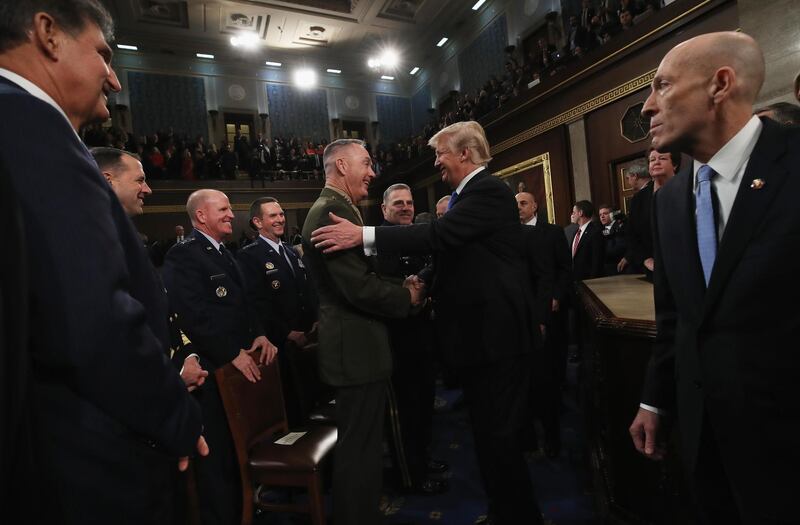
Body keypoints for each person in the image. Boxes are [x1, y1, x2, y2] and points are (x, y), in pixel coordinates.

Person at [0, 1, 205, 522]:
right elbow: (92, 318)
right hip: (84, 458)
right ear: (47, 33)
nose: (113, 79)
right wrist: (173, 414)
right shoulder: (31, 125)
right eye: (103, 54)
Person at [311, 122, 545, 525]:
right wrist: (416, 286)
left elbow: (442, 234)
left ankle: (519, 516)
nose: (435, 162)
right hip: (479, 341)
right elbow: (450, 253)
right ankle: (505, 512)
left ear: (466, 154)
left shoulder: (488, 191)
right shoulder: (463, 195)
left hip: (498, 338)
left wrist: (364, 236)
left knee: (500, 439)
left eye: (441, 153)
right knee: (489, 438)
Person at [628, 31, 800, 524]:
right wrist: (654, 400)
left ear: (719, 84)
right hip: (704, 438)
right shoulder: (669, 200)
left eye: (661, 86)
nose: (646, 107)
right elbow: (676, 316)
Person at [301, 139, 424, 525]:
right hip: (354, 350)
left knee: (365, 446)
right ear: (341, 165)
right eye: (366, 163)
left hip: (359, 347)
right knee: (360, 450)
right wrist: (406, 296)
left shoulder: (341, 207)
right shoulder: (331, 211)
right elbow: (357, 287)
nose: (373, 172)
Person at [164, 189, 278, 525]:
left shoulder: (226, 252)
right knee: (217, 461)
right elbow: (191, 315)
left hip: (239, 370)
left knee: (237, 450)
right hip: (215, 375)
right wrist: (230, 353)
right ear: (201, 216)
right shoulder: (183, 255)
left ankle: (244, 509)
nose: (232, 214)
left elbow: (246, 303)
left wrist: (257, 333)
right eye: (224, 209)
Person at [91, 146, 208, 391]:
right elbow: (114, 332)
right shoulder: (94, 243)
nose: (148, 189)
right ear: (107, 181)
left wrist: (187, 357)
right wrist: (173, 373)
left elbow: (163, 311)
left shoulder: (127, 238)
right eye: (140, 180)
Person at [376, 183, 448, 496]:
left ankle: (423, 458)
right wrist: (410, 293)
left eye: (409, 203)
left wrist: (421, 288)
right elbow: (382, 286)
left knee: (423, 406)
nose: (405, 208)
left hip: (423, 336)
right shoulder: (378, 242)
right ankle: (410, 476)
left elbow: (431, 274)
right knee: (404, 413)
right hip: (396, 341)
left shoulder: (420, 238)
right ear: (384, 210)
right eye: (398, 204)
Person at [237, 197, 317, 425]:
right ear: (257, 222)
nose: (280, 219)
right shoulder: (249, 256)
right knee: (293, 409)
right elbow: (256, 304)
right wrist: (286, 333)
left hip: (308, 341)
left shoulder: (292, 252)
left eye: (281, 214)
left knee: (311, 402)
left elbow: (308, 290)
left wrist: (315, 321)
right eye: (273, 216)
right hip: (280, 346)